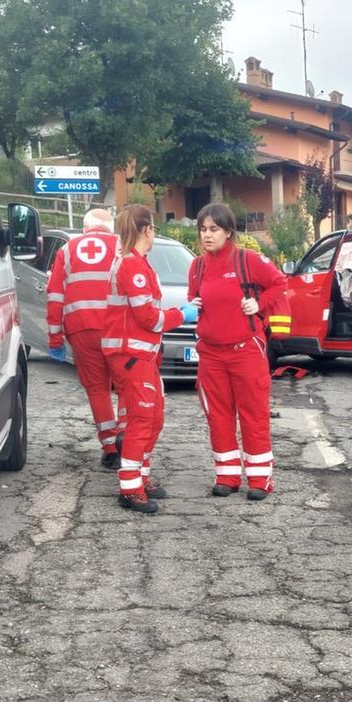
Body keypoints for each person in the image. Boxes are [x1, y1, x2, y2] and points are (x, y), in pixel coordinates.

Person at [187, 202, 291, 499]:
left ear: (228, 232)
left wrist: (259, 304)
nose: (207, 235)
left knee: (253, 414)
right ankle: (227, 476)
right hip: (211, 354)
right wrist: (193, 306)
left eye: (214, 229)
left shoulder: (249, 260)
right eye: (203, 230)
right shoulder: (196, 266)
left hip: (245, 351)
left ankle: (260, 480)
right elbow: (194, 297)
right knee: (217, 416)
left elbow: (279, 284)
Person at [101, 205, 196, 514]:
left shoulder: (139, 264)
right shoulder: (131, 266)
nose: (154, 233)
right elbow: (148, 318)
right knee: (142, 419)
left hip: (142, 354)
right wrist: (182, 314)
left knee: (153, 418)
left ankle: (139, 477)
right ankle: (130, 488)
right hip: (131, 354)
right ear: (145, 230)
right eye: (153, 228)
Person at [48, 208, 124, 469]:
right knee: (125, 386)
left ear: (84, 229)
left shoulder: (67, 250)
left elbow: (55, 295)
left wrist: (55, 338)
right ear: (110, 228)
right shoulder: (122, 246)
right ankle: (128, 438)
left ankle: (110, 448)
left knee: (97, 389)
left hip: (82, 329)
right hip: (118, 328)